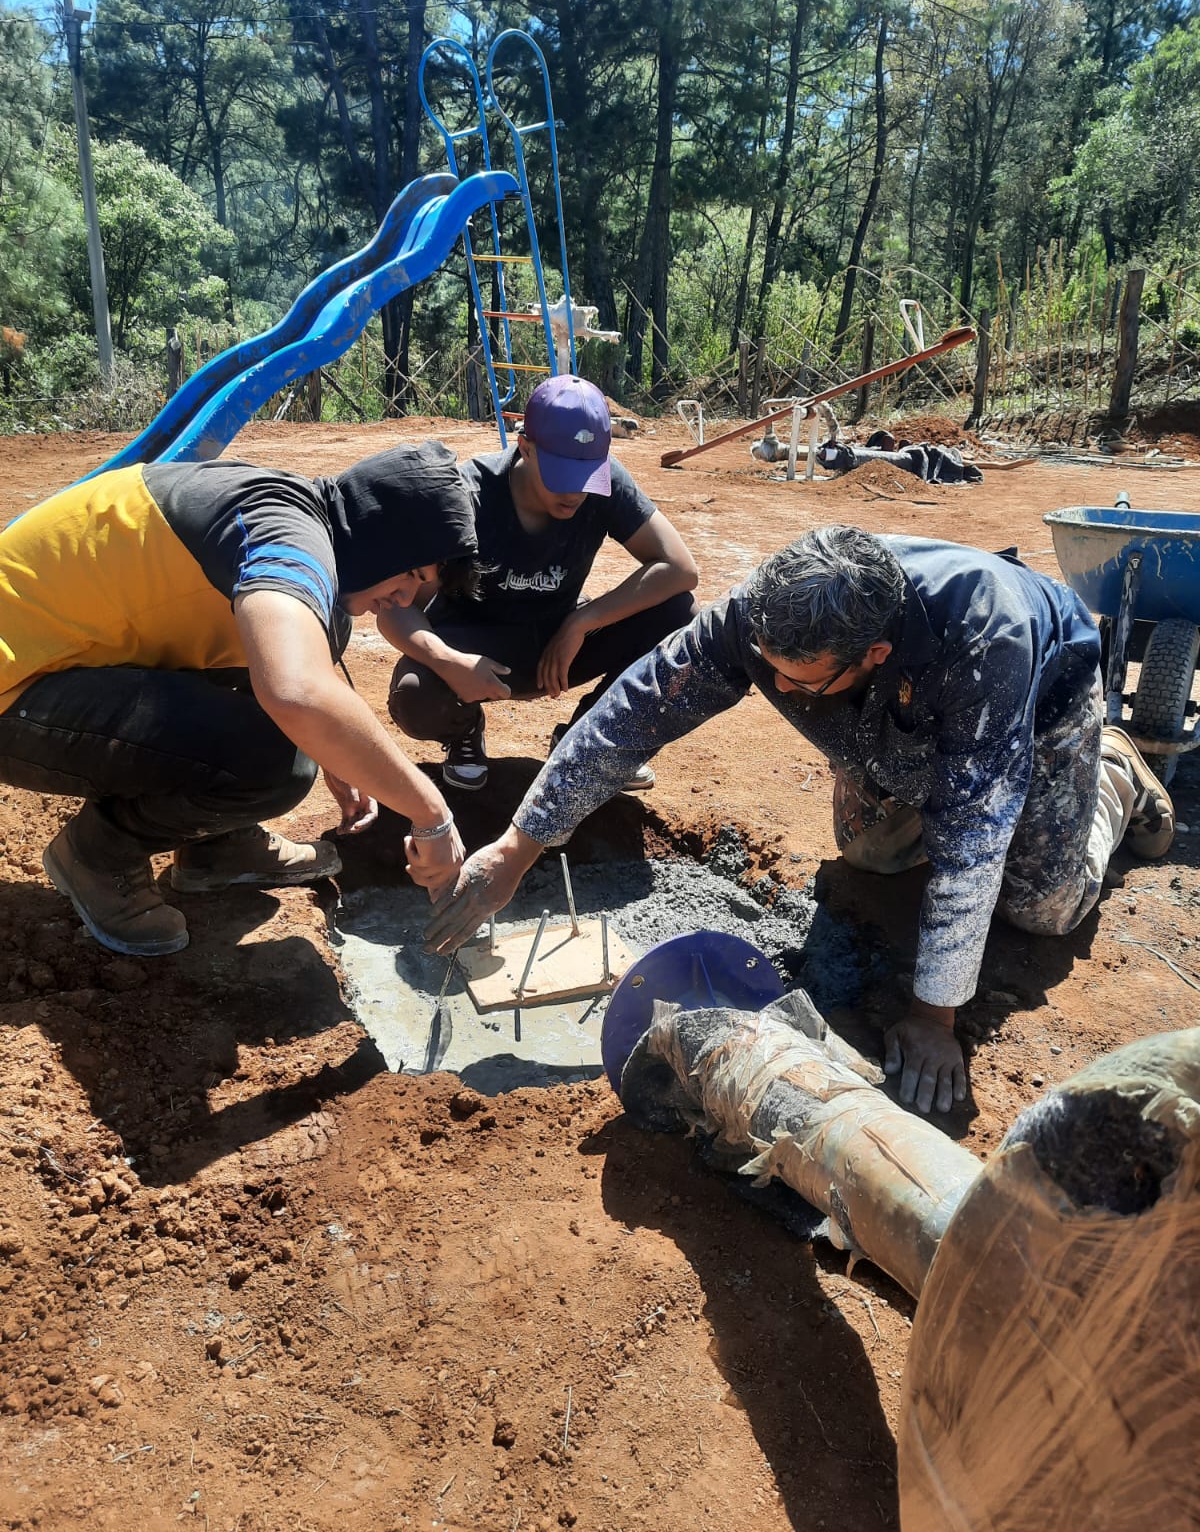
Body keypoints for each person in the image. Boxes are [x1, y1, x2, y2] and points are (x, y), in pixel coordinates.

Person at [423, 524, 1176, 1115]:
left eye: (799, 679)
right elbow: (636, 711)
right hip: (894, 726)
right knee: (871, 858)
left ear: (874, 651)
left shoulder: (985, 640)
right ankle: (908, 773)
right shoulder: (765, 614)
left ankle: (1112, 771)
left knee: (1039, 907)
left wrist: (934, 1016)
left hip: (1034, 708)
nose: (779, 689)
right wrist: (520, 847)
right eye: (769, 668)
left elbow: (975, 839)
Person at [0, 441, 481, 958]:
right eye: (412, 573)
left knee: (294, 715)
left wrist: (338, 752)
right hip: (18, 684)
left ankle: (214, 846)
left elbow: (299, 670)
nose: (406, 599)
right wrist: (432, 813)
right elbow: (295, 693)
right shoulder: (286, 537)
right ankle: (98, 853)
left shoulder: (296, 516)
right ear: (382, 531)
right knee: (271, 760)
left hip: (62, 660)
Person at [384, 374, 698, 792]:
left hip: (559, 640)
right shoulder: (467, 496)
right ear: (526, 448)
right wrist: (449, 663)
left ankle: (592, 739)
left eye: (587, 476)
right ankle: (462, 730)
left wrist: (581, 622)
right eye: (562, 474)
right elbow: (396, 606)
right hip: (477, 648)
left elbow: (680, 568)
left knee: (682, 617)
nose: (576, 492)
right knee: (415, 697)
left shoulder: (605, 481)